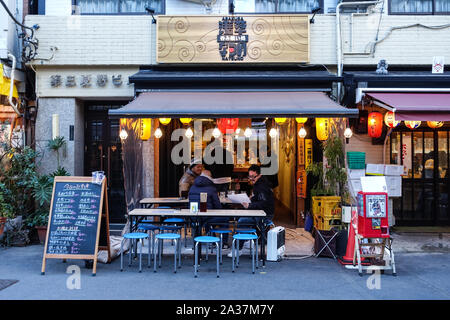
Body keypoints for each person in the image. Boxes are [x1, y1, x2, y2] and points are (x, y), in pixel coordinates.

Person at [229, 164, 275, 256]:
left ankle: (239, 249)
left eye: (253, 177)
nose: (250, 179)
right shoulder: (260, 183)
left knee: (242, 221)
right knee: (242, 217)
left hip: (265, 215)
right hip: (261, 213)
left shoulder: (261, 186)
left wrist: (249, 205)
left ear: (259, 175)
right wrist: (251, 200)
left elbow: (263, 203)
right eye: (249, 176)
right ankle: (247, 240)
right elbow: (260, 199)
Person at [189, 164, 230, 241]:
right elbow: (217, 206)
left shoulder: (192, 187)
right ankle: (224, 243)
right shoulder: (211, 188)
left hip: (194, 217)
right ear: (209, 178)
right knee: (224, 218)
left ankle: (210, 238)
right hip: (206, 218)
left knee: (206, 216)